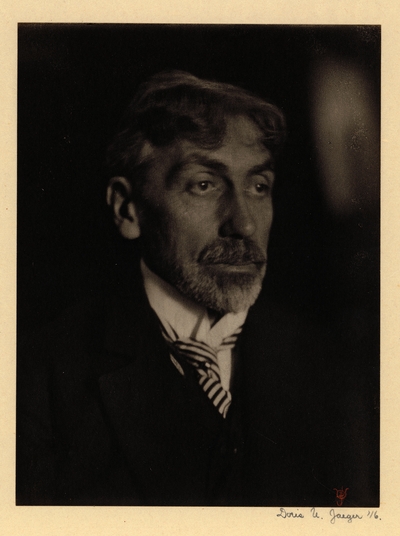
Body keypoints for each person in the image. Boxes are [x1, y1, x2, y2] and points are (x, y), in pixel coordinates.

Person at [16, 71, 378, 506]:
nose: (243, 224)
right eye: (204, 185)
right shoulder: (40, 377)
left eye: (259, 187)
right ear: (128, 209)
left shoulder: (335, 372)